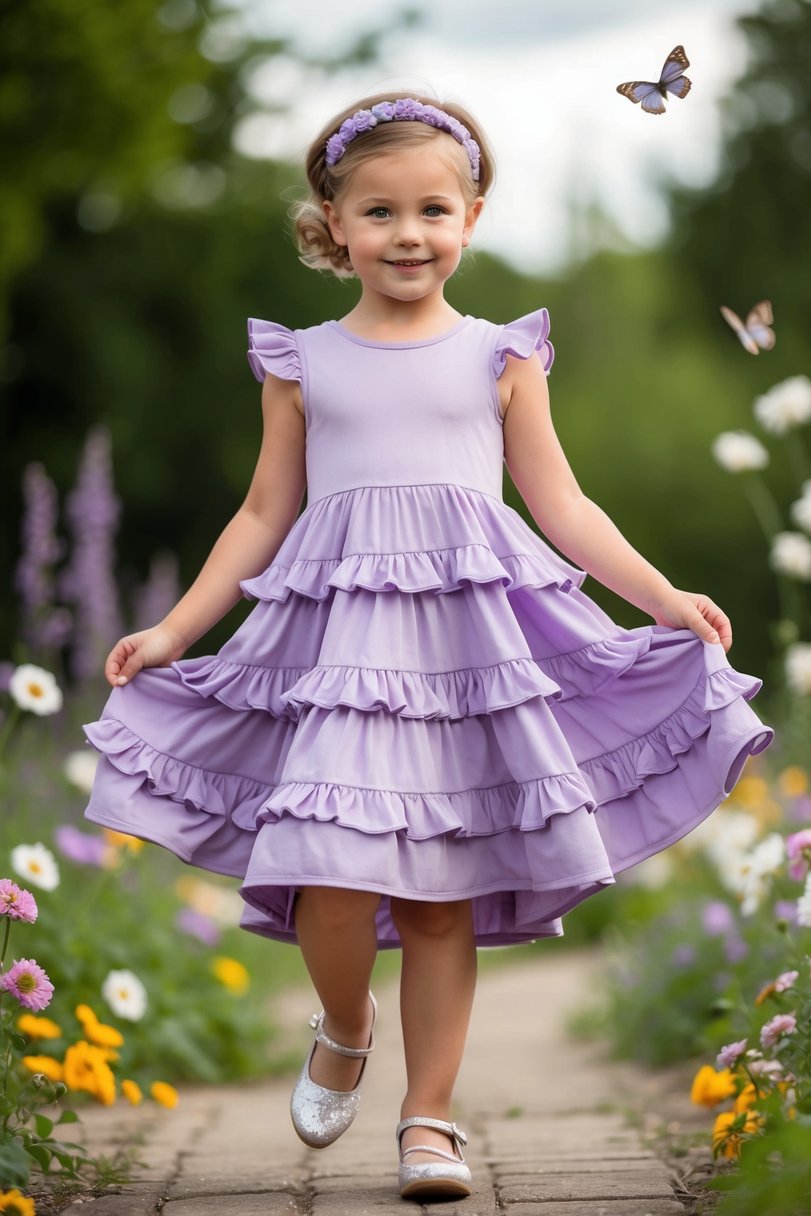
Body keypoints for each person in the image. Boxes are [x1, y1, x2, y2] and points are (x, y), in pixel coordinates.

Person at [83, 90, 773, 1201]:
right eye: (381, 211)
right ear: (334, 223)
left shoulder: (502, 355)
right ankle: (346, 1024)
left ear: (472, 216)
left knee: (443, 890)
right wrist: (173, 626)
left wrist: (660, 593)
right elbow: (263, 512)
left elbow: (564, 506)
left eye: (433, 210)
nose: (409, 233)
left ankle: (430, 1120)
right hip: (338, 647)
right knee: (330, 870)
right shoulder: (301, 362)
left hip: (466, 647)